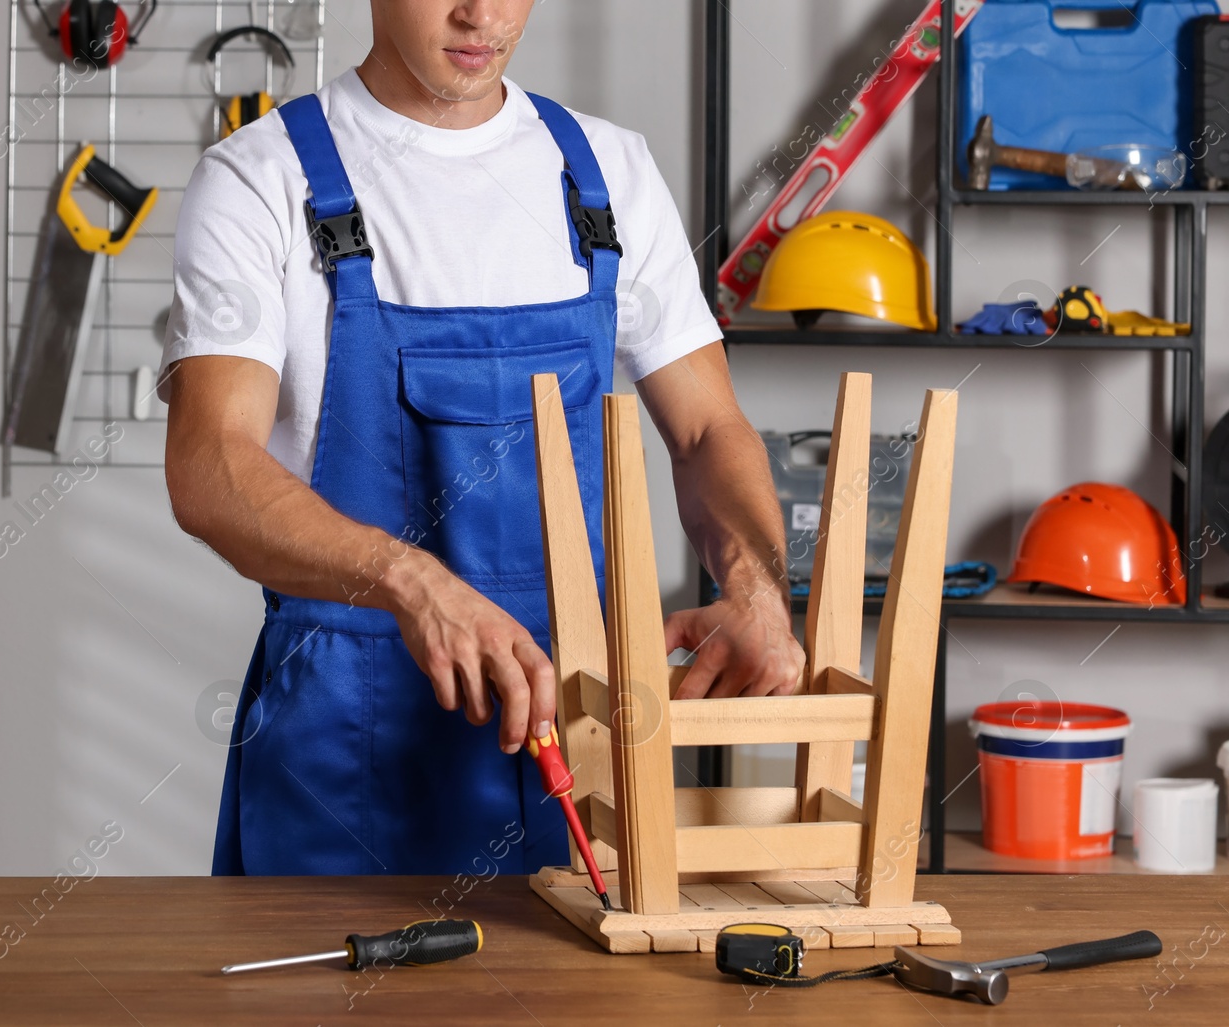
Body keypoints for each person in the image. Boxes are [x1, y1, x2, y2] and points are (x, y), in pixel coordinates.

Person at [161, 0, 804, 877]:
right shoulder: (259, 177)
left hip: (575, 739)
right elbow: (210, 467)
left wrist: (758, 587)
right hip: (342, 758)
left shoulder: (606, 176)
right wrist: (411, 582)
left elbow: (705, 429)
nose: (482, 13)